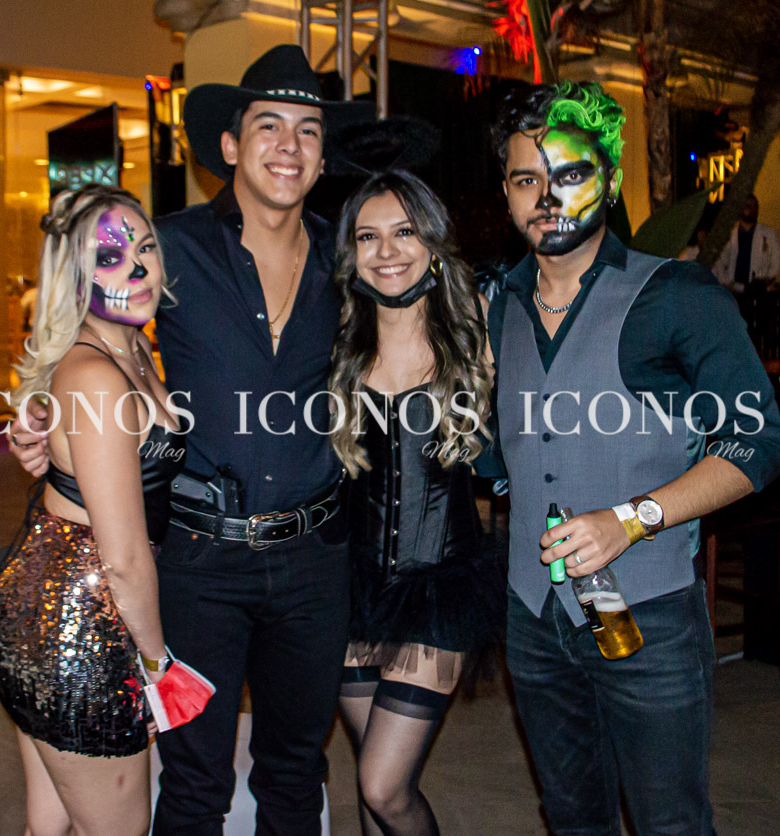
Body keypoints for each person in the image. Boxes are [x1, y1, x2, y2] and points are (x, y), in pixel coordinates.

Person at [10, 45, 373, 835]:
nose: (289, 145)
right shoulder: (167, 247)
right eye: (269, 125)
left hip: (315, 562)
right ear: (231, 145)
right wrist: (38, 413)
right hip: (199, 563)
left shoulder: (349, 261)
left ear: (323, 156)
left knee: (297, 771)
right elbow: (83, 321)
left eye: (309, 130)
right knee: (195, 781)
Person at [487, 81, 780, 835]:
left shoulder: (677, 295)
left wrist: (632, 518)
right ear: (507, 193)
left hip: (650, 616)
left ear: (611, 179)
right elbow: (501, 449)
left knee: (669, 823)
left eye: (570, 174)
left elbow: (758, 442)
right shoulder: (499, 305)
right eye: (526, 179)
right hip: (533, 617)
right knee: (571, 816)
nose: (547, 197)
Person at [0, 184, 187, 836]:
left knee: (50, 827)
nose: (137, 268)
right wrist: (158, 669)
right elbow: (123, 558)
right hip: (79, 628)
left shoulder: (133, 347)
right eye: (110, 257)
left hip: (50, 608)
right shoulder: (96, 375)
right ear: (74, 278)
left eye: (145, 248)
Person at [328, 170, 500, 835]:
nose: (387, 251)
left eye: (404, 232)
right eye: (368, 236)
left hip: (440, 583)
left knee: (384, 784)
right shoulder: (336, 336)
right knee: (372, 781)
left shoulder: (476, 322)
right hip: (350, 583)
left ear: (432, 240)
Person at [714, 194, 780, 292]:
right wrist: (727, 282)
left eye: (755, 207)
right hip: (734, 289)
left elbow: (776, 262)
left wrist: (765, 281)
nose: (752, 210)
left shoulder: (769, 234)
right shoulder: (729, 234)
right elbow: (720, 262)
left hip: (757, 290)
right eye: (748, 206)